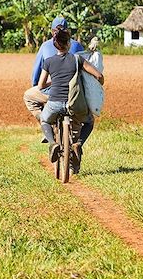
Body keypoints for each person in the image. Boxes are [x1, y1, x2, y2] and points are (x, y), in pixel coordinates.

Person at [36, 26, 104, 173]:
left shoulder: (48, 61)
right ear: (69, 44)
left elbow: (41, 85)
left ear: (55, 45)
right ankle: (78, 144)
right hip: (75, 104)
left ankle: (53, 143)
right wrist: (100, 84)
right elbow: (98, 76)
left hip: (54, 103)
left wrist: (54, 82)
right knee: (89, 122)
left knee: (45, 120)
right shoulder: (76, 59)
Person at [23, 17, 84, 123]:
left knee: (28, 96)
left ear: (52, 31)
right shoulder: (77, 46)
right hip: (75, 92)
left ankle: (44, 122)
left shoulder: (46, 46)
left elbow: (37, 72)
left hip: (52, 92)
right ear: (67, 31)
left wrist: (35, 85)